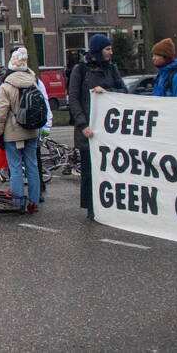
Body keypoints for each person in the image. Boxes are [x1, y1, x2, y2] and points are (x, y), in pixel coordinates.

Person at [68, 33, 127, 218]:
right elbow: (74, 99)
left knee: (109, 169)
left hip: (108, 129)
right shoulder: (81, 70)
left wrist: (107, 91)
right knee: (89, 171)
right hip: (89, 129)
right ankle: (92, 207)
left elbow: (124, 91)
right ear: (98, 51)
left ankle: (108, 203)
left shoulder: (112, 69)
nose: (111, 52)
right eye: (107, 49)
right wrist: (82, 124)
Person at [0, 48, 42, 213]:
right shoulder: (33, 81)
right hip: (33, 131)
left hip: (13, 133)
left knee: (15, 168)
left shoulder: (6, 87)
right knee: (32, 166)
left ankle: (18, 203)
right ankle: (34, 202)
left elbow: (0, 115)